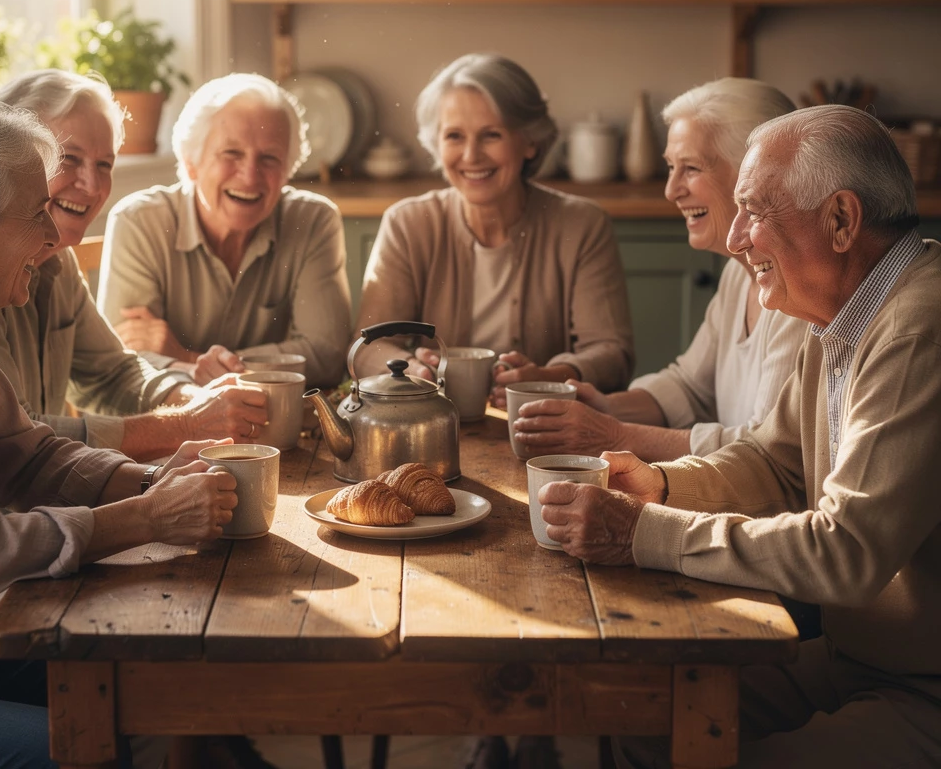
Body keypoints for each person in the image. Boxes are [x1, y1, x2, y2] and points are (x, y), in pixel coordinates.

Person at [539, 106, 941, 768]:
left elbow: (847, 550)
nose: (737, 238)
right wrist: (659, 484)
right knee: (638, 715)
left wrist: (643, 531)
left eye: (755, 210)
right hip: (854, 661)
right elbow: (773, 462)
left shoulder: (917, 327)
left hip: (922, 691)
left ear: (841, 221)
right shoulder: (845, 316)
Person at [0, 101, 238, 769]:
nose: (53, 236)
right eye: (37, 212)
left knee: (157, 691)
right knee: (77, 750)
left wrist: (153, 481)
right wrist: (148, 516)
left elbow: (29, 456)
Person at [0, 70, 268, 460]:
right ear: (8, 159)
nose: (93, 187)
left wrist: (193, 398)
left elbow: (113, 374)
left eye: (105, 165)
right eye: (69, 158)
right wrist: (187, 423)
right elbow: (15, 438)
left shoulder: (57, 261)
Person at [512, 78, 807, 462]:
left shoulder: (800, 289)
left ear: (754, 174)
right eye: (671, 167)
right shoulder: (740, 274)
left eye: (691, 168)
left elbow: (766, 453)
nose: (671, 190)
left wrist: (616, 434)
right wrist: (603, 406)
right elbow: (689, 386)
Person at [354, 53, 633, 404]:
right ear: (436, 144)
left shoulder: (583, 225)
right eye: (454, 136)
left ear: (530, 141)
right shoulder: (407, 223)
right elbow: (368, 347)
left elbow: (612, 354)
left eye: (491, 135)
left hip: (543, 427)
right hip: (434, 423)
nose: (471, 156)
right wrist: (410, 368)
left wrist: (547, 378)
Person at [97, 73, 351, 389]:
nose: (249, 175)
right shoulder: (139, 222)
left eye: (270, 158)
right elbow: (120, 366)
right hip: (170, 426)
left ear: (288, 170)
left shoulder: (313, 220)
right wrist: (245, 369)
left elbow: (326, 357)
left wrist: (188, 359)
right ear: (191, 162)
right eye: (231, 153)